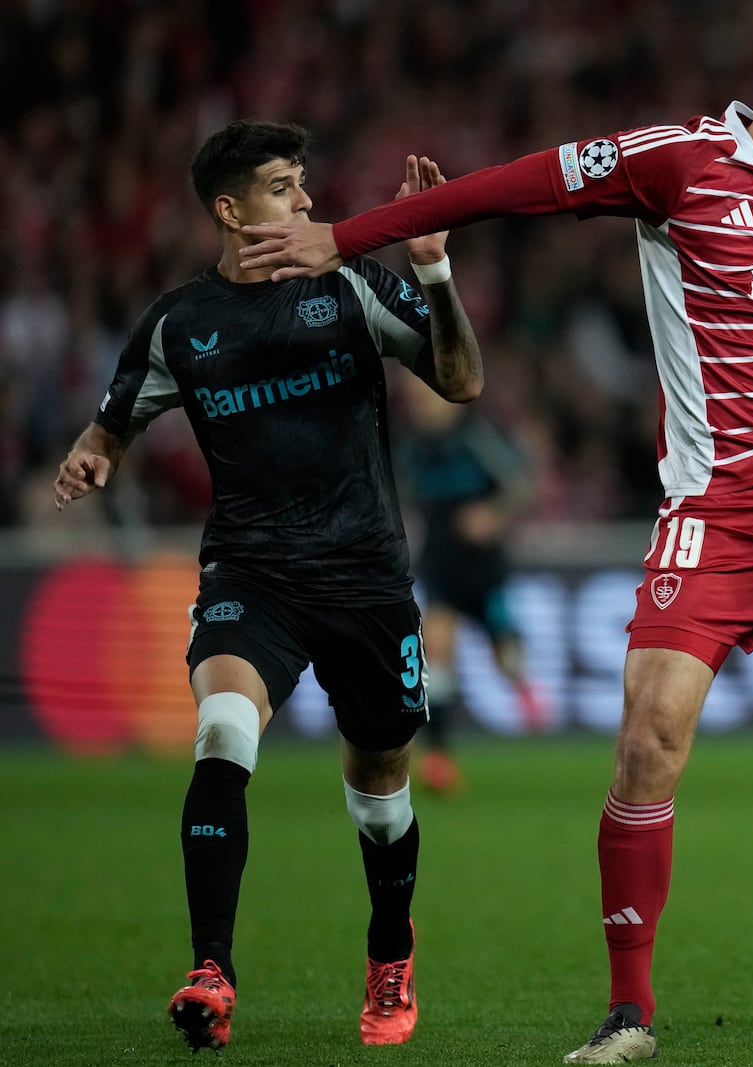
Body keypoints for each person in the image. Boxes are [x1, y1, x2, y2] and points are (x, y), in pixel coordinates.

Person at [240, 19, 753, 1064]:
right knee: (648, 739)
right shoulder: (675, 165)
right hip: (728, 504)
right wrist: (348, 236)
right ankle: (629, 1012)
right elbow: (517, 183)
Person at [53, 119, 484, 1052]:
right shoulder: (181, 322)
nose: (306, 202)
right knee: (222, 730)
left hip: (366, 575)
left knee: (380, 788)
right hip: (252, 571)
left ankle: (387, 950)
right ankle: (212, 968)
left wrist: (435, 275)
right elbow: (114, 421)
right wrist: (93, 454)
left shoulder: (349, 281)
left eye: (303, 183)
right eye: (285, 186)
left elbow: (459, 380)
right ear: (230, 208)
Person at [393, 373, 548, 794]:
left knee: (506, 656)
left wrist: (491, 515)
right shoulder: (411, 446)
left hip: (483, 568)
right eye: (414, 396)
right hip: (441, 565)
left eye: (427, 395)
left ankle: (525, 686)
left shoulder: (474, 437)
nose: (421, 403)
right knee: (438, 649)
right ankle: (439, 757)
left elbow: (521, 485)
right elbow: (401, 492)